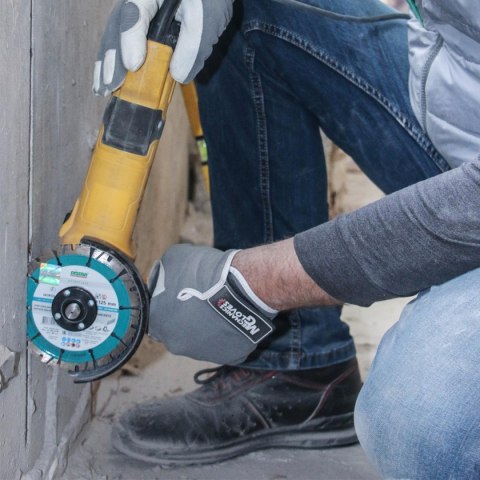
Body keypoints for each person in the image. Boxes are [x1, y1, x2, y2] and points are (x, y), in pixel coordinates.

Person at [94, 0, 480, 477]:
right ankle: (294, 363)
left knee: (421, 425)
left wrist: (253, 285)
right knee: (248, 12)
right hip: (457, 103)